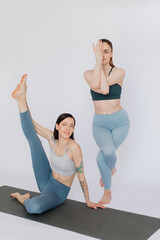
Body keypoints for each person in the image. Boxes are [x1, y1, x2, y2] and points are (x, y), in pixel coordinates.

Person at [10, 74, 105, 214]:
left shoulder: (74, 148)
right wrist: (24, 101)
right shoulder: (51, 138)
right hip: (45, 179)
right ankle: (21, 99)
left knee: (33, 208)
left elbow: (81, 176)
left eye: (71, 126)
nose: (68, 128)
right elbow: (32, 124)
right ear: (57, 126)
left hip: (58, 192)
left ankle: (22, 198)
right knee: (33, 140)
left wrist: (88, 201)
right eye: (64, 124)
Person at [83, 39, 130, 204]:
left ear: (111, 54)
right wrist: (97, 62)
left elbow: (103, 89)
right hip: (100, 124)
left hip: (120, 122)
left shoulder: (119, 72)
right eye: (99, 51)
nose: (102, 55)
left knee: (102, 157)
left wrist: (99, 65)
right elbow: (99, 86)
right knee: (107, 153)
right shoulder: (88, 74)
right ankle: (111, 177)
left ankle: (108, 182)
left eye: (106, 51)